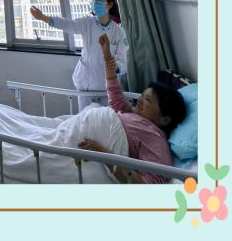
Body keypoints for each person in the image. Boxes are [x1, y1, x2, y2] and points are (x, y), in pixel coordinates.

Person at [77, 34, 186, 183]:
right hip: (85, 126)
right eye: (142, 96)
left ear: (165, 119)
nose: (140, 100)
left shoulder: (156, 141)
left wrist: (103, 154)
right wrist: (107, 55)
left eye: (147, 100)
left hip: (91, 145)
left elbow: (147, 184)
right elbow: (113, 88)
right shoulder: (132, 114)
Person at [30, 0, 128, 110]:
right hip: (85, 86)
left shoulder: (119, 32)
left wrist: (117, 66)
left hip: (106, 89)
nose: (95, 1)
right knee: (84, 120)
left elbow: (122, 61)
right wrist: (43, 18)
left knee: (104, 121)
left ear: (109, 4)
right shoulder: (87, 23)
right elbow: (67, 24)